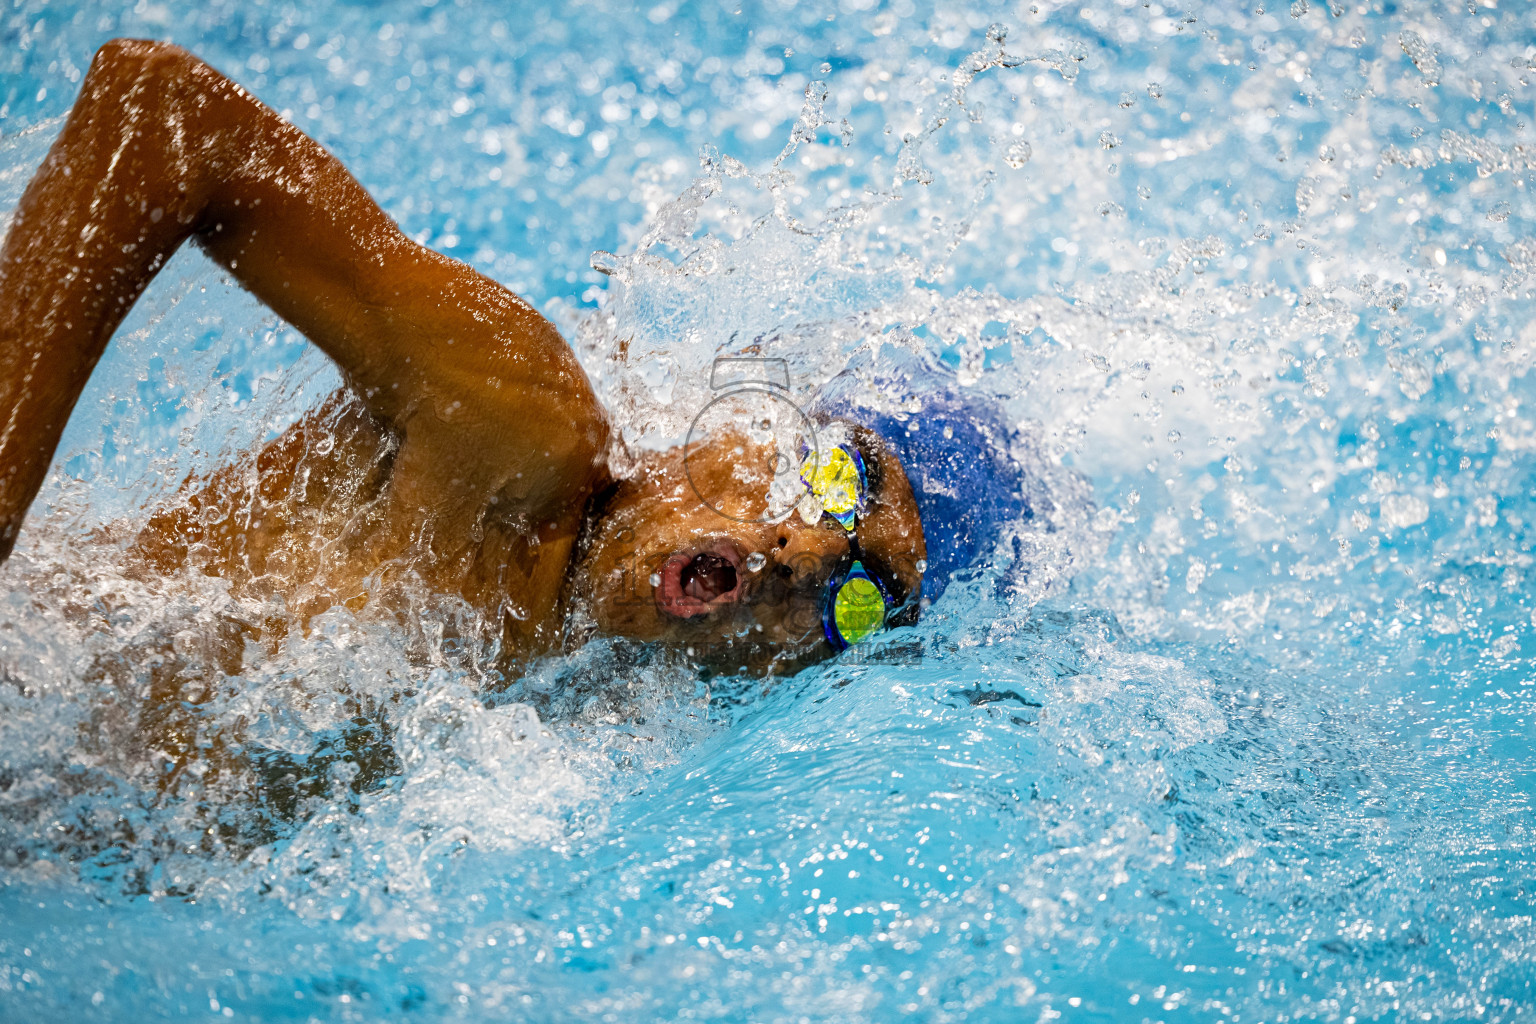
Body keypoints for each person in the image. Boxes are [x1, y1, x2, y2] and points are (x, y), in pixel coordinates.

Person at [0, 39, 927, 678]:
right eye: (840, 480)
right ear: (748, 423)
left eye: (859, 602)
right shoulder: (519, 423)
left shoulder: (586, 708)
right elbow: (164, 111)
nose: (803, 552)